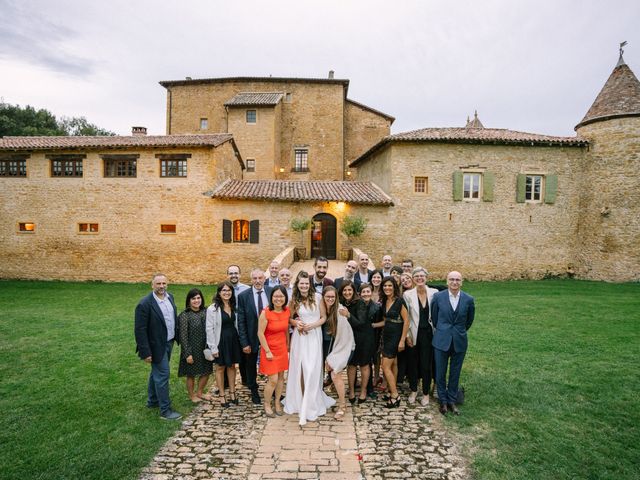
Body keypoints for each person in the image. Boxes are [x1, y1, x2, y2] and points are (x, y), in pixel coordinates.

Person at [284, 271, 335, 425]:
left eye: (306, 283)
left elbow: (324, 317)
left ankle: (311, 399)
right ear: (297, 285)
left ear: (309, 284)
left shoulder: (318, 297)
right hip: (300, 338)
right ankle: (300, 400)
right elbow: (288, 318)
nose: (304, 286)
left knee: (312, 368)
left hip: (314, 335)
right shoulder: (293, 300)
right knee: (301, 368)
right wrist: (296, 324)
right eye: (301, 283)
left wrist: (311, 326)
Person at [134, 273, 181, 420]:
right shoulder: (144, 304)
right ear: (152, 285)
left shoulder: (170, 297)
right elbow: (140, 330)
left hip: (169, 342)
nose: (161, 286)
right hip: (155, 346)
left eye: (164, 283)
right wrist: (145, 352)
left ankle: (152, 401)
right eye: (158, 284)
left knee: (156, 372)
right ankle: (165, 411)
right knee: (163, 375)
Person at [432, 271, 475, 416]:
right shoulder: (438, 297)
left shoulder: (468, 299)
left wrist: (459, 331)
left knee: (455, 372)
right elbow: (435, 318)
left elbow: (469, 321)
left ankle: (452, 400)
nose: (454, 282)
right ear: (447, 281)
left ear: (461, 282)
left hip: (459, 340)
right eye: (452, 279)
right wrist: (444, 330)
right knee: (440, 372)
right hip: (441, 340)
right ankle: (443, 400)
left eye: (457, 280)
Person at [403, 267, 439, 406]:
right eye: (416, 276)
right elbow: (406, 318)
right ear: (413, 278)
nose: (419, 278)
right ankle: (413, 390)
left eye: (422, 276)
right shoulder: (408, 295)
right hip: (413, 333)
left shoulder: (434, 293)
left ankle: (425, 393)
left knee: (426, 364)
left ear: (426, 277)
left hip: (429, 334)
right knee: (413, 363)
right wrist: (406, 335)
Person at [237, 269, 272, 404]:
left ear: (264, 279)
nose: (257, 281)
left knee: (270, 362)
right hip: (251, 337)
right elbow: (241, 321)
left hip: (269, 336)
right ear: (251, 280)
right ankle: (254, 390)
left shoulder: (271, 292)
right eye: (255, 278)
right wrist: (244, 342)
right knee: (250, 365)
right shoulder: (243, 296)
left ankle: (273, 389)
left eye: (260, 278)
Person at [206, 281, 242, 407]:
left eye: (229, 290)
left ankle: (232, 392)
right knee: (220, 368)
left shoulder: (233, 305)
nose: (226, 293)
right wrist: (213, 347)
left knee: (232, 366)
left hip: (232, 340)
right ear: (219, 293)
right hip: (220, 341)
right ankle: (222, 395)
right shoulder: (213, 309)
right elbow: (209, 329)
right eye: (224, 291)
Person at [338, 281, 375, 405]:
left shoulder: (360, 303)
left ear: (354, 291)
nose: (347, 292)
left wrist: (348, 315)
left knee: (364, 364)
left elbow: (360, 323)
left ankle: (363, 391)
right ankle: (352, 390)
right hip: (349, 338)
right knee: (352, 365)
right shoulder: (342, 303)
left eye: (349, 290)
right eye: (345, 290)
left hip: (364, 338)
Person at [257, 286, 290, 417]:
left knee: (281, 377)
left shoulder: (287, 311)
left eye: (281, 296)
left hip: (281, 348)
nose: (278, 299)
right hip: (269, 349)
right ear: (271, 298)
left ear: (285, 298)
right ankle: (266, 403)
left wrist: (288, 344)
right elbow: (260, 333)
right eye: (276, 296)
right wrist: (267, 350)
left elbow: (286, 329)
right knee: (273, 379)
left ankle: (277, 402)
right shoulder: (266, 313)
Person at [323, 286, 355, 420]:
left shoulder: (339, 311)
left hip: (343, 347)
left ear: (336, 298)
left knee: (335, 374)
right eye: (327, 297)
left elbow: (346, 337)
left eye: (333, 297)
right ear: (323, 297)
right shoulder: (322, 310)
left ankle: (343, 406)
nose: (330, 299)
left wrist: (331, 358)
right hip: (326, 346)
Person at [379, 276, 409, 408]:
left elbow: (406, 320)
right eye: (385, 286)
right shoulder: (385, 300)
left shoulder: (399, 301)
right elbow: (386, 320)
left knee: (385, 367)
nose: (387, 288)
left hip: (396, 337)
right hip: (387, 335)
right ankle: (392, 391)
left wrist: (402, 340)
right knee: (393, 364)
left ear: (394, 287)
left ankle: (395, 396)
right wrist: (373, 325)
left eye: (390, 286)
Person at [178, 288, 213, 403]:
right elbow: (183, 336)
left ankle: (200, 392)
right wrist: (187, 354)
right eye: (193, 298)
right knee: (191, 374)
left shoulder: (206, 311)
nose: (196, 301)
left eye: (198, 298)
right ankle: (192, 395)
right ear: (189, 300)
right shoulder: (185, 315)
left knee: (206, 371)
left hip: (205, 348)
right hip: (191, 348)